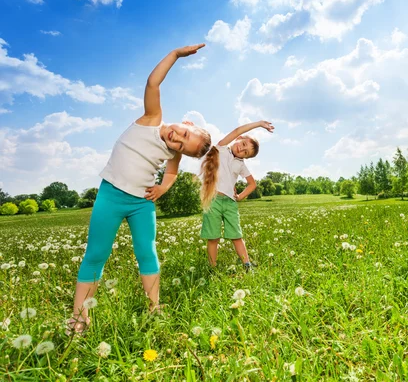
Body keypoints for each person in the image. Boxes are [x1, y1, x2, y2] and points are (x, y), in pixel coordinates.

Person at [67, 44, 211, 334]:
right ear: (187, 123)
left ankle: (154, 306)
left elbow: (171, 171)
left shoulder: (174, 153)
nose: (176, 140)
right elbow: (153, 83)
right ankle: (80, 317)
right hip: (111, 195)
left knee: (147, 252)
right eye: (183, 134)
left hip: (141, 204)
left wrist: (162, 189)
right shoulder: (151, 119)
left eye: (182, 145)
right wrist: (174, 55)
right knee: (96, 254)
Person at [200, 120, 274, 271]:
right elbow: (237, 130)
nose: (242, 149)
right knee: (213, 237)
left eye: (246, 152)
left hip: (229, 203)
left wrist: (240, 196)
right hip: (213, 200)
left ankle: (247, 265)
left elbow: (252, 184)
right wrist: (259, 124)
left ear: (246, 157)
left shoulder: (241, 164)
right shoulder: (220, 148)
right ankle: (212, 268)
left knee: (236, 235)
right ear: (240, 139)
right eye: (244, 144)